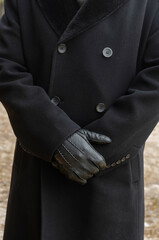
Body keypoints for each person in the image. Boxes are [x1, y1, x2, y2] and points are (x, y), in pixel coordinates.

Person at [0, 0, 159, 239]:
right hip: (43, 160)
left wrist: (102, 150)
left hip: (110, 170)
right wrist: (56, 138)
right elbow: (6, 66)